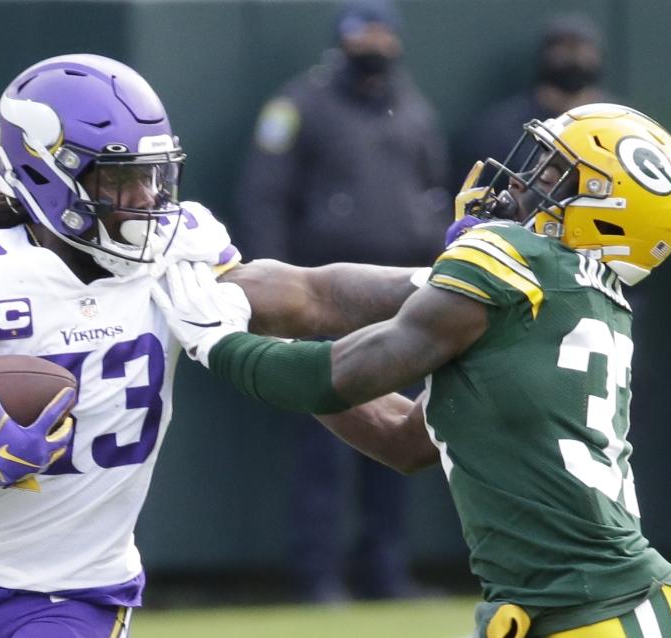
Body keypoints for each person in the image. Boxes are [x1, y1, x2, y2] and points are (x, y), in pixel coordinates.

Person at [0, 54, 424, 637]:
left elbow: (315, 295)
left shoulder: (174, 257)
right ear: (43, 175)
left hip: (78, 594)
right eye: (119, 180)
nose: (145, 200)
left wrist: (444, 281)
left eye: (152, 176)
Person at [152, 103, 671, 636]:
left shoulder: (518, 263)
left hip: (607, 611)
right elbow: (404, 438)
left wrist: (220, 342)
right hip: (586, 605)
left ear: (608, 216)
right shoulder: (566, 294)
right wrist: (244, 297)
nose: (521, 184)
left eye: (553, 178)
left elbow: (343, 372)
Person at [236, 0, 450, 600]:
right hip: (323, 300)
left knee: (407, 433)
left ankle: (385, 572)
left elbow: (434, 192)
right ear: (342, 38)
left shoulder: (413, 107)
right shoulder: (299, 104)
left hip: (405, 300)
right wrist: (275, 303)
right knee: (330, 440)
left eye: (384, 31)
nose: (375, 41)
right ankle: (319, 575)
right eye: (364, 31)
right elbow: (265, 198)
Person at [456, 13, 607, 182]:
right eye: (563, 48)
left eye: (581, 49)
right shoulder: (498, 130)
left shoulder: (617, 123)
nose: (574, 58)